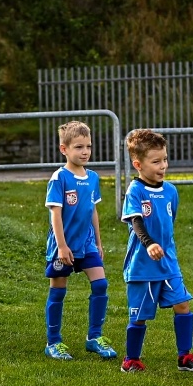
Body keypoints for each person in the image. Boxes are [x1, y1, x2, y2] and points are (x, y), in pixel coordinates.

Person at [119, 128, 193, 373]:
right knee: (139, 316)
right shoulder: (135, 191)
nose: (163, 165)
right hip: (142, 267)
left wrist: (163, 247)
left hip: (168, 264)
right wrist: (149, 244)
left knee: (183, 305)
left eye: (165, 159)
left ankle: (185, 356)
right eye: (156, 161)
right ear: (138, 164)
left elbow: (170, 222)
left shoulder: (171, 191)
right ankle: (131, 359)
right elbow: (136, 222)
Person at [42, 120, 115, 361]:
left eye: (88, 147)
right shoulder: (59, 178)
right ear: (64, 149)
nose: (85, 152)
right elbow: (55, 214)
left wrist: (99, 242)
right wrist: (62, 246)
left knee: (101, 284)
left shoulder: (93, 177)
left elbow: (92, 210)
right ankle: (53, 342)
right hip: (64, 247)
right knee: (58, 290)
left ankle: (94, 337)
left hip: (87, 244)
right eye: (78, 147)